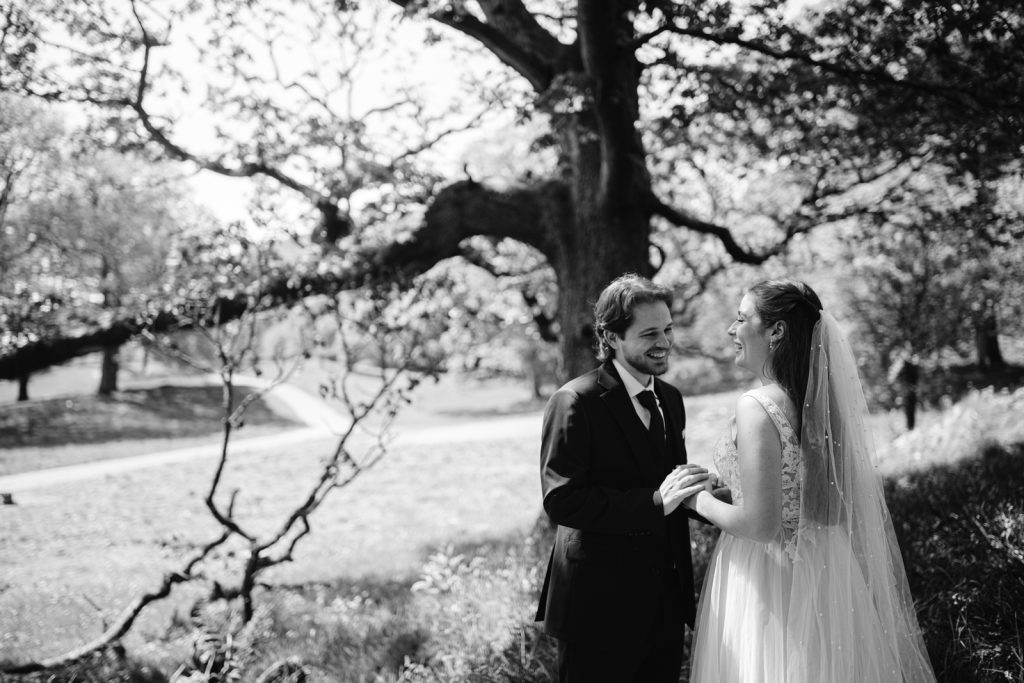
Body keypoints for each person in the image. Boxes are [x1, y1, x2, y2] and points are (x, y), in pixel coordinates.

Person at [688, 279, 936, 682]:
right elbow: (820, 503)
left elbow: (761, 525)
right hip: (824, 568)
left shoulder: (757, 405)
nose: (732, 330)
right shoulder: (819, 404)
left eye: (741, 318)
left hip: (769, 577)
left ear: (776, 331)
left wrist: (696, 499)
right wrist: (734, 491)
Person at [535, 273, 713, 682]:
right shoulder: (575, 401)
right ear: (612, 337)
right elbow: (563, 500)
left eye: (667, 329)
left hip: (664, 606)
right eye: (649, 333)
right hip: (596, 610)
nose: (664, 342)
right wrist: (654, 502)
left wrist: (705, 496)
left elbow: (668, 485)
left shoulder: (670, 398)